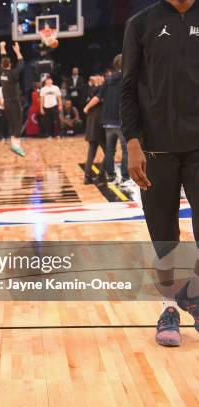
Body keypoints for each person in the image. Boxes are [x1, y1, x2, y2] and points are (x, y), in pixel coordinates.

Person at [121, 0, 199, 347]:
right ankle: (170, 307)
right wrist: (133, 142)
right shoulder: (141, 23)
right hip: (155, 150)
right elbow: (128, 87)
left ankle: (194, 296)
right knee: (164, 236)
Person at [86, 55, 129, 185]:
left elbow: (98, 97)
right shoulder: (126, 78)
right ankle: (125, 177)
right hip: (121, 120)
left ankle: (111, 176)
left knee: (110, 150)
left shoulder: (108, 79)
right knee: (125, 149)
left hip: (108, 121)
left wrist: (87, 107)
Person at [0, 41, 26, 157]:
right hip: (14, 103)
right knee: (18, 124)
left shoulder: (2, 72)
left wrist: (2, 47)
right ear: (9, 64)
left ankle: (15, 144)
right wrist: (18, 51)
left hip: (6, 103)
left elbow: (3, 58)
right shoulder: (12, 74)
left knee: (11, 123)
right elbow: (21, 63)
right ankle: (16, 145)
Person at [83, 76, 107, 184]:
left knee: (91, 153)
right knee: (109, 152)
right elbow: (97, 97)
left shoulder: (90, 96)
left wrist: (86, 107)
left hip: (91, 129)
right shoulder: (100, 96)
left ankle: (87, 177)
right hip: (100, 128)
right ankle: (101, 175)